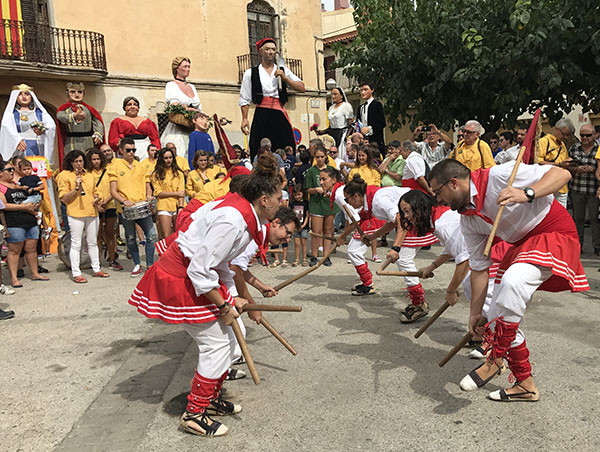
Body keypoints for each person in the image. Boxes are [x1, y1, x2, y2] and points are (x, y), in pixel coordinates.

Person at [128, 153, 282, 437]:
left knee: (228, 339)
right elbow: (201, 268)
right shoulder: (233, 221)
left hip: (192, 272)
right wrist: (224, 304)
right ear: (264, 199)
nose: (281, 202)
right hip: (182, 275)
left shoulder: (241, 211)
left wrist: (232, 294)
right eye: (279, 197)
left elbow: (221, 262)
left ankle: (208, 401)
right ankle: (194, 413)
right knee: (217, 344)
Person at [428, 158, 588, 401]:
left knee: (513, 282)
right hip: (522, 247)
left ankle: (495, 357)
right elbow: (479, 269)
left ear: (453, 183)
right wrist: (475, 313)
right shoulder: (468, 220)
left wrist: (527, 193)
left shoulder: (500, 175)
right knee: (496, 316)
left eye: (437, 192)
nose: (437, 200)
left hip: (552, 233)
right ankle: (525, 384)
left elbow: (562, 175)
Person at [342, 177, 438, 309]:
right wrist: (372, 237)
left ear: (357, 196)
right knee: (404, 261)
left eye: (348, 199)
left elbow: (400, 220)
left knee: (404, 260)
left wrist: (395, 248)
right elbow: (393, 222)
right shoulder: (373, 199)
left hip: (418, 217)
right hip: (412, 218)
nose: (347, 203)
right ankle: (418, 302)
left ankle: (419, 303)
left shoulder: (378, 200)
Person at [240, 38, 306, 161]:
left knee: (286, 145)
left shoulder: (283, 70)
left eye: (273, 49)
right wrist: (244, 119)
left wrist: (285, 78)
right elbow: (244, 98)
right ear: (260, 51)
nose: (271, 52)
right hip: (261, 113)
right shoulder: (250, 73)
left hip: (279, 112)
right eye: (267, 49)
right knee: (257, 146)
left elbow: (302, 88)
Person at [58, 150, 110, 283]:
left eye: (81, 161)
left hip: (92, 212)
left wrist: (97, 198)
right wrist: (76, 188)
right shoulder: (64, 176)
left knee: (93, 242)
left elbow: (96, 192)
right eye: (76, 161)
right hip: (75, 213)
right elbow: (64, 198)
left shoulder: (89, 175)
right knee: (76, 243)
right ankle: (76, 272)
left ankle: (96, 269)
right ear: (70, 162)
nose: (79, 164)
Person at [109, 138, 157, 277]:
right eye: (128, 150)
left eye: (133, 150)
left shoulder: (141, 166)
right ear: (121, 150)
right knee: (130, 237)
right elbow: (113, 191)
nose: (131, 152)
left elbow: (147, 185)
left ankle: (150, 264)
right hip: (126, 208)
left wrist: (149, 195)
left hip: (142, 206)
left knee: (152, 235)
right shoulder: (115, 166)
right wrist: (124, 200)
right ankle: (137, 264)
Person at [0, 160, 49, 287]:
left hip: (30, 219)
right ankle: (14, 278)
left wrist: (34, 204)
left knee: (31, 249)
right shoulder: (1, 187)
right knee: (14, 250)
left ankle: (34, 273)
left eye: (12, 169)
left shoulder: (18, 184)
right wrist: (24, 207)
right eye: (9, 169)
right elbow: (4, 206)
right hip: (14, 222)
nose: (12, 171)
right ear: (0, 173)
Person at [0, 84, 56, 162]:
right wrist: (17, 140)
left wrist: (43, 130)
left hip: (38, 145)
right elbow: (6, 128)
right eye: (20, 94)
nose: (24, 97)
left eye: (27, 94)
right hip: (21, 146)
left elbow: (51, 125)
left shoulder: (40, 113)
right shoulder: (11, 114)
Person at [87, 148, 122, 271]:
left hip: (110, 204)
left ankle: (112, 259)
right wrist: (97, 204)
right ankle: (97, 261)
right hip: (94, 206)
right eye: (93, 159)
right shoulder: (87, 173)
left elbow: (115, 189)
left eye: (98, 159)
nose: (96, 162)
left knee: (110, 233)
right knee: (96, 234)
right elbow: (87, 191)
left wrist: (105, 202)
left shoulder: (109, 171)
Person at [56, 82, 104, 169]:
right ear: (67, 93)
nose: (76, 95)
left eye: (80, 92)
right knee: (72, 161)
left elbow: (98, 121)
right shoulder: (64, 109)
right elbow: (60, 117)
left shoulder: (90, 109)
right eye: (73, 92)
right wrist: (73, 116)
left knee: (89, 162)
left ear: (84, 93)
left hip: (88, 141)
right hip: (71, 141)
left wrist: (98, 133)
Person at [304, 148, 339, 267]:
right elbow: (307, 189)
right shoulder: (311, 171)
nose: (319, 159)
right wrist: (315, 190)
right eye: (317, 157)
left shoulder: (331, 171)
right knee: (316, 231)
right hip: (316, 204)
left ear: (326, 157)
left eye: (322, 157)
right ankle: (314, 255)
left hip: (329, 202)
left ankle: (326, 255)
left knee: (328, 230)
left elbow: (337, 184)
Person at [161, 57, 201, 159]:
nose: (188, 69)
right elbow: (174, 105)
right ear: (177, 69)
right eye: (185, 66)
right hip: (178, 126)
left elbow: (199, 107)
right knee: (181, 153)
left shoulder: (192, 86)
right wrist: (189, 109)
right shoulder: (171, 85)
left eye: (189, 67)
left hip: (193, 126)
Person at [568, 124, 599, 253]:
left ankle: (597, 247)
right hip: (577, 188)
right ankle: (577, 246)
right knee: (578, 219)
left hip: (593, 190)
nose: (585, 138)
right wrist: (576, 169)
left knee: (594, 219)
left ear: (594, 135)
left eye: (588, 135)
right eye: (582, 135)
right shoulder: (573, 148)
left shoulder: (598, 149)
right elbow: (567, 166)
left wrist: (594, 169)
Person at [348, 145, 382, 261]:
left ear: (368, 156)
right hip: (357, 201)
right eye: (359, 155)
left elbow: (377, 185)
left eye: (363, 155)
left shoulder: (374, 170)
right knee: (357, 225)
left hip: (370, 200)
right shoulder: (353, 170)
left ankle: (374, 253)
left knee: (372, 227)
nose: (361, 157)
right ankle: (357, 250)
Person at [535, 118, 574, 208]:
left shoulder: (562, 145)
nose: (566, 137)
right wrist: (559, 164)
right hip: (547, 184)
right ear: (556, 129)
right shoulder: (544, 141)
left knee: (561, 215)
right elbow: (538, 162)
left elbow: (564, 163)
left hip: (562, 186)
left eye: (568, 135)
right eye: (564, 134)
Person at [108, 96, 160, 161]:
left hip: (145, 149)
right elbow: (113, 139)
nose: (132, 107)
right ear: (124, 108)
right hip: (127, 148)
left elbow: (155, 138)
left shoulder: (147, 121)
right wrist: (119, 144)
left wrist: (156, 150)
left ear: (138, 108)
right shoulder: (117, 121)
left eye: (135, 105)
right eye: (129, 105)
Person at [150, 148, 185, 238]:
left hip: (177, 205)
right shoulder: (156, 174)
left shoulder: (179, 173)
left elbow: (181, 192)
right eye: (166, 158)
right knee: (167, 235)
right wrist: (176, 194)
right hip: (164, 206)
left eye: (170, 157)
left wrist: (180, 207)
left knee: (179, 234)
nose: (169, 160)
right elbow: (158, 193)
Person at [315, 87, 353, 159]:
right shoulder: (331, 108)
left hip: (342, 135)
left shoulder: (346, 106)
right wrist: (321, 132)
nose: (333, 96)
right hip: (332, 135)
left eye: (335, 94)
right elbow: (330, 127)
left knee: (341, 155)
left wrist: (346, 137)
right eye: (332, 94)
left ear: (341, 95)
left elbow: (351, 125)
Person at [356, 82, 386, 157]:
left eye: (365, 89)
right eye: (361, 90)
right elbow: (358, 122)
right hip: (363, 140)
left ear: (372, 90)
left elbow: (382, 123)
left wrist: (369, 129)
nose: (363, 92)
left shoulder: (377, 105)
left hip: (375, 140)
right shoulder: (360, 107)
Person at [290, 188, 310, 267]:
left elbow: (307, 215)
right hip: (295, 226)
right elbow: (291, 216)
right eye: (295, 195)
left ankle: (304, 259)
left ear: (302, 194)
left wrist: (303, 225)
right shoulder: (292, 204)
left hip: (303, 226)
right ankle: (297, 259)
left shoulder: (305, 203)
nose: (297, 196)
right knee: (296, 243)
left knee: (304, 243)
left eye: (299, 194)